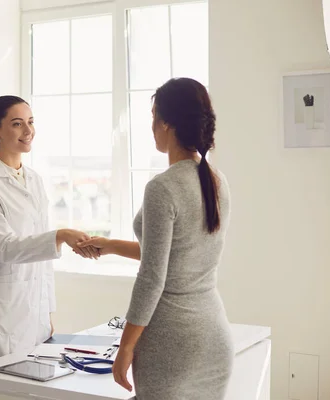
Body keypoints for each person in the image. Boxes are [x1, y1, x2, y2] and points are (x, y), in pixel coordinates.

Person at [78, 78, 234, 399]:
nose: (151, 126)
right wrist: (109, 246)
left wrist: (125, 348)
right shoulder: (217, 181)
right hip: (214, 336)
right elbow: (179, 256)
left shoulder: (163, 187)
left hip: (171, 343)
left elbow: (152, 277)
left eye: (153, 117)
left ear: (167, 124)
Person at [0, 95, 97, 384]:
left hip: (33, 309)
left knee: (33, 389)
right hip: (0, 309)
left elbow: (43, 260)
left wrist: (47, 311)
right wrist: (60, 236)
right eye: (17, 124)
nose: (28, 131)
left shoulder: (33, 179)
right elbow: (5, 247)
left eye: (31, 122)